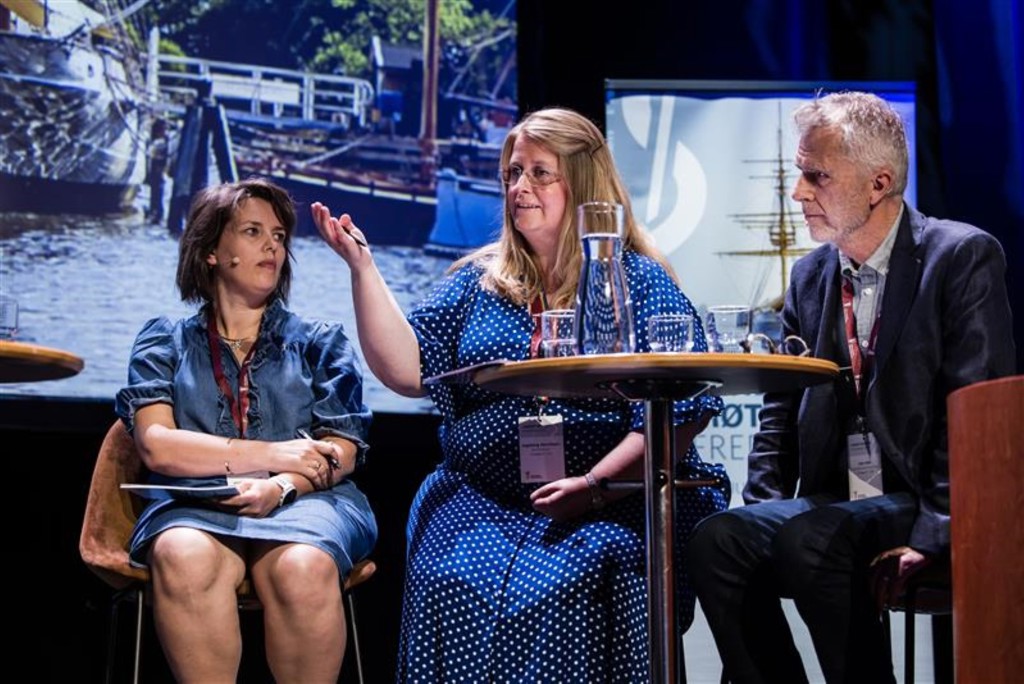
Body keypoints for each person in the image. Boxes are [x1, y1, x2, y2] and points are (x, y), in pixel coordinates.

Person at [312, 106, 730, 682]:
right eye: (512, 173)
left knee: (579, 579)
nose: (519, 187)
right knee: (453, 576)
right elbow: (408, 370)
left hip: (608, 500)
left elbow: (678, 412)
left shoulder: (636, 280)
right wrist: (362, 267)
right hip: (482, 499)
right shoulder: (476, 279)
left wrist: (591, 488)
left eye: (539, 173)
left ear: (582, 182)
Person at [687, 91, 1017, 683]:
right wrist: (764, 508)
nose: (798, 193)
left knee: (813, 540)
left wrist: (937, 531)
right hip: (839, 497)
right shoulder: (810, 275)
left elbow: (977, 419)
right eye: (799, 173)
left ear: (878, 183)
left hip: (923, 497)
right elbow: (779, 412)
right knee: (720, 539)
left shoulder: (961, 256)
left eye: (816, 176)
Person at [115, 177, 377, 682]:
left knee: (302, 566)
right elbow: (158, 446)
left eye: (279, 236)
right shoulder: (163, 339)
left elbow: (341, 449)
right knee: (181, 551)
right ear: (212, 251)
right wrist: (276, 455)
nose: (272, 246)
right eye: (253, 231)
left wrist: (282, 484)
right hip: (196, 503)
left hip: (309, 503)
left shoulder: (321, 341)